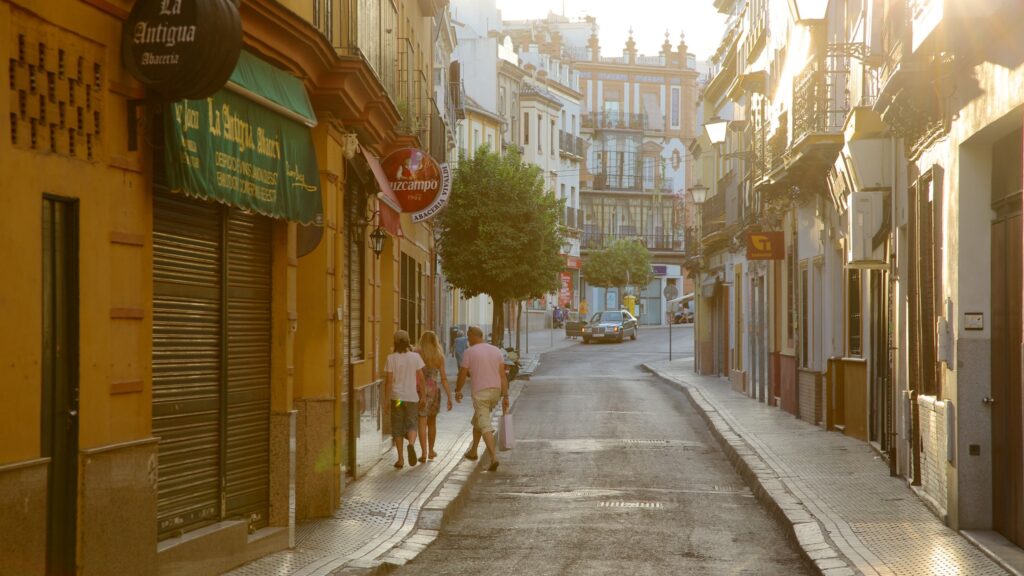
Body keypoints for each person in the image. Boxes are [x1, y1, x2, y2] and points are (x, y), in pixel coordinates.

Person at [455, 325, 509, 472]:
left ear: (473, 336)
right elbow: (503, 375)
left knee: (484, 424)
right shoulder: (496, 350)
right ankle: (473, 451)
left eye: (468, 336)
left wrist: (458, 390)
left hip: (480, 393)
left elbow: (462, 373)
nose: (467, 339)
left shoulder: (469, 352)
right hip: (495, 393)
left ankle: (493, 458)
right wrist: (505, 395)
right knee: (478, 419)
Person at [384, 330, 424, 469]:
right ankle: (411, 445)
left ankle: (400, 459)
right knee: (412, 423)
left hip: (398, 399)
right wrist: (423, 396)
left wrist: (386, 400)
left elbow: (389, 381)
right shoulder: (415, 357)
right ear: (408, 341)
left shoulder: (391, 358)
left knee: (398, 426)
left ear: (395, 342)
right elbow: (421, 379)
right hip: (411, 398)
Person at [416, 330, 453, 462]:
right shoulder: (439, 356)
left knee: (422, 421)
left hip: (419, 391)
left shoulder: (417, 353)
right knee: (432, 422)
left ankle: (423, 453)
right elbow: (443, 378)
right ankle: (431, 450)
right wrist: (449, 396)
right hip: (434, 391)